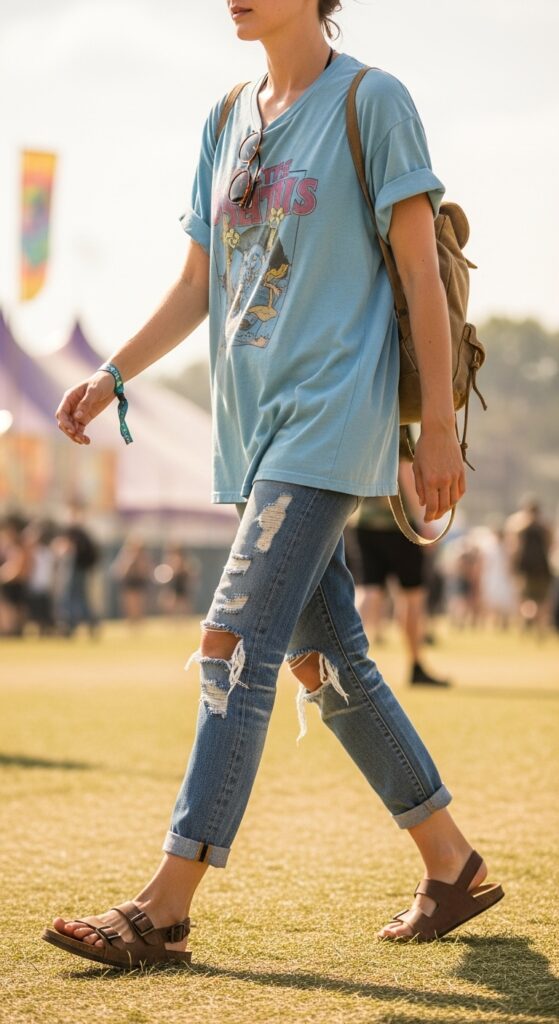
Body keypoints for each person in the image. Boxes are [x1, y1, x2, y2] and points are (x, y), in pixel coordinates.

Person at [44, 1, 504, 968]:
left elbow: (421, 276)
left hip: (330, 421)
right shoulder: (223, 119)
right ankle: (449, 863)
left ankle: (163, 905)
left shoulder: (372, 102)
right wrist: (112, 374)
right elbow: (194, 286)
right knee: (324, 658)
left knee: (231, 646)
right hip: (251, 435)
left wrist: (432, 436)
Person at [348, 458, 450, 686]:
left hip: (362, 521)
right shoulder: (402, 423)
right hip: (399, 522)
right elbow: (405, 470)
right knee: (412, 595)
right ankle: (416, 666)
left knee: (369, 590)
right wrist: (423, 520)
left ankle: (351, 661)